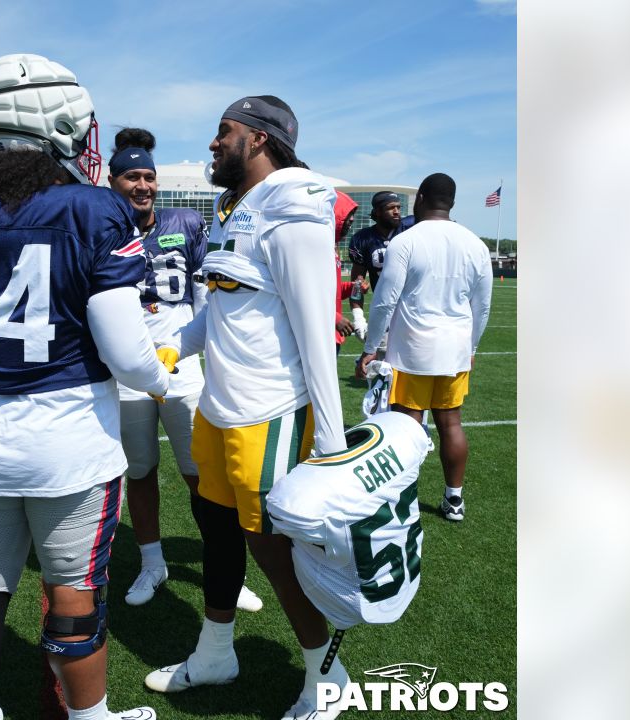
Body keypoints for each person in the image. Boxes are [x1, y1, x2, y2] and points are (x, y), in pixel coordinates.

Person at [0, 53, 167, 720]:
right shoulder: (93, 208)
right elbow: (126, 350)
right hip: (68, 442)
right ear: (54, 120)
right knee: (76, 589)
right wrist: (163, 379)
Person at [144, 95, 350, 720]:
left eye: (223, 132)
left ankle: (328, 675)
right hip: (218, 409)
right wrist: (168, 351)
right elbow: (221, 309)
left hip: (270, 415)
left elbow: (317, 331)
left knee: (274, 552)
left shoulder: (293, 208)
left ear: (259, 139)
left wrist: (333, 444)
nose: (212, 144)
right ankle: (215, 652)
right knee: (215, 530)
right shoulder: (242, 208)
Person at [106, 129, 266, 613]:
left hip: (183, 369)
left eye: (149, 177)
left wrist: (207, 354)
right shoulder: (102, 228)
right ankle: (152, 563)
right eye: (132, 177)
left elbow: (206, 296)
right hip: (127, 376)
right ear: (112, 182)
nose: (143, 185)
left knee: (204, 477)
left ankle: (223, 571)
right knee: (141, 472)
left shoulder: (184, 223)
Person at [357, 173, 493, 522]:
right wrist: (472, 346)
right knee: (451, 424)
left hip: (412, 349)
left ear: (419, 198)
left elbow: (384, 302)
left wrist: (371, 347)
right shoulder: (475, 243)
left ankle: (404, 499)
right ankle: (454, 499)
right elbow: (482, 306)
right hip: (455, 349)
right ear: (452, 202)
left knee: (406, 425)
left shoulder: (406, 241)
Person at [346, 191, 415, 340]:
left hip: (413, 308)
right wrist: (358, 317)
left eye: (398, 207)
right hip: (384, 308)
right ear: (377, 211)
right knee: (379, 356)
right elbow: (357, 284)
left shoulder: (410, 228)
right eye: (391, 208)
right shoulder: (363, 239)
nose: (397, 212)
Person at [332, 191, 364, 353]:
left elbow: (332, 291)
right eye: (347, 213)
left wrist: (352, 287)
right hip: (317, 333)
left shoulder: (332, 245)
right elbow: (303, 291)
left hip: (330, 333)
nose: (352, 219)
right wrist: (334, 318)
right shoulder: (317, 247)